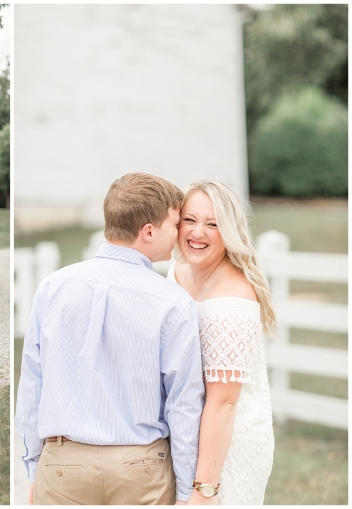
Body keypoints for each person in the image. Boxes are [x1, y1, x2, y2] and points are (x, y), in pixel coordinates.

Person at [15, 172, 206, 505]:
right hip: (142, 468)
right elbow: (183, 404)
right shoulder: (173, 302)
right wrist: (188, 489)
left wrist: (35, 464)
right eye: (174, 225)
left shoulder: (53, 288)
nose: (180, 234)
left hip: (63, 466)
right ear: (148, 231)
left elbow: (33, 383)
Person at [167, 180, 275, 505]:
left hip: (227, 448)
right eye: (190, 219)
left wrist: (204, 490)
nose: (198, 233)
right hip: (185, 438)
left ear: (228, 231)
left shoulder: (233, 298)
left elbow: (224, 403)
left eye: (212, 224)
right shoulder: (176, 274)